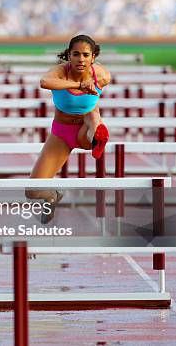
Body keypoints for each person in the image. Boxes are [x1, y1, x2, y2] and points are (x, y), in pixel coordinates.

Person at [27, 34, 111, 223]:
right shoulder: (59, 72)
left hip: (85, 128)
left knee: (92, 113)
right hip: (61, 134)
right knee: (32, 191)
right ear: (69, 56)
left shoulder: (101, 75)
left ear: (93, 57)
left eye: (86, 55)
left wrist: (89, 85)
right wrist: (79, 85)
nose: (81, 59)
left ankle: (97, 138)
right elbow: (45, 82)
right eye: (76, 54)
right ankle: (52, 196)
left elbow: (105, 80)